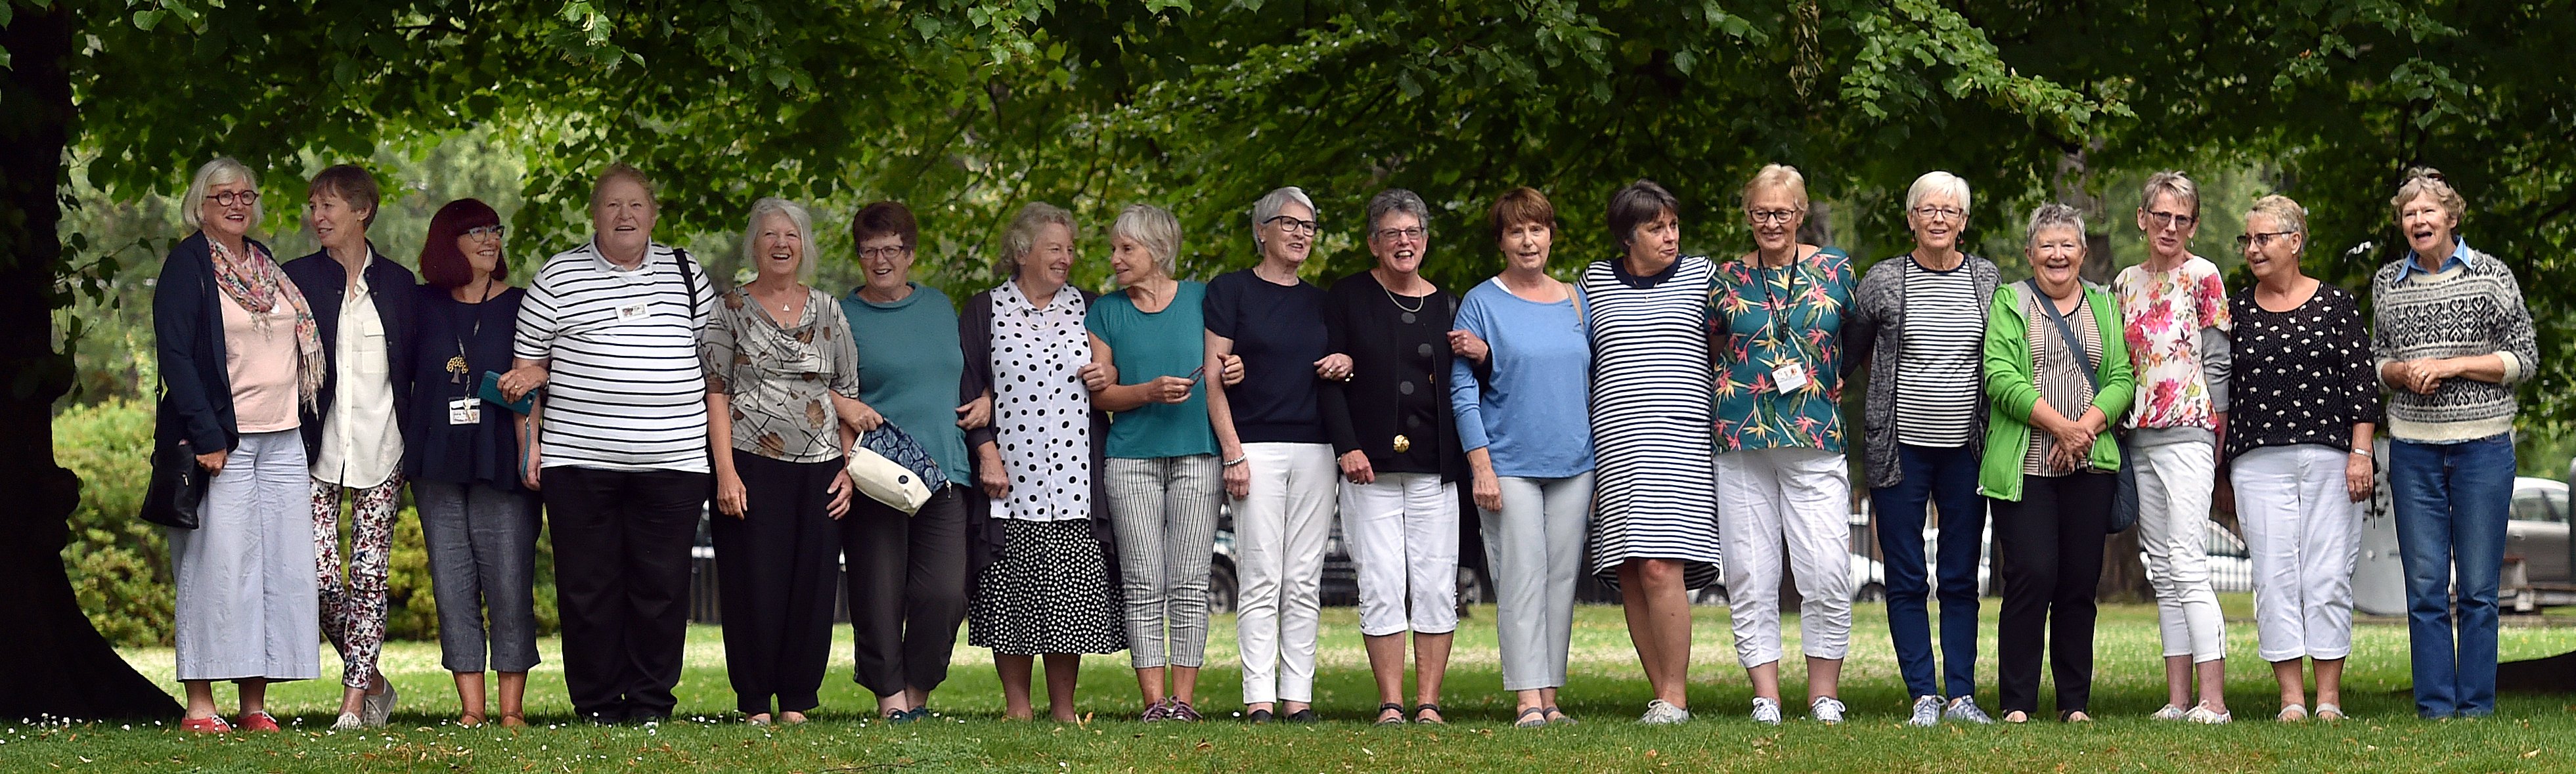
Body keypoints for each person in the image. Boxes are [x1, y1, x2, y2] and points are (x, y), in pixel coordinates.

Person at [499, 163, 715, 725]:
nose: (625, 216)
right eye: (613, 205)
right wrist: (532, 446)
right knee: (588, 588)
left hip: (676, 461)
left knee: (662, 589)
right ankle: (596, 702)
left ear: (653, 214)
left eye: (636, 205)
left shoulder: (687, 272)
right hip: (579, 461)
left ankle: (649, 702)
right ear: (594, 214)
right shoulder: (558, 276)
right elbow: (526, 373)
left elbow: (716, 366)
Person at [154, 158, 326, 733]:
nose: (235, 204)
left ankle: (254, 704)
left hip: (281, 439)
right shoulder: (188, 266)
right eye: (221, 195)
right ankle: (200, 705)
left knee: (277, 570)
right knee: (216, 570)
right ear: (200, 203)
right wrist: (206, 435)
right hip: (223, 444)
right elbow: (176, 357)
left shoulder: (264, 264)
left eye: (245, 194)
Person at [2372, 168, 2537, 719]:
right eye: (2409, 213)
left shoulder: (2492, 276)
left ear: (2452, 216)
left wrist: (2454, 364)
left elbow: (2524, 358)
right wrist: (2399, 372)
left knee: (2478, 590)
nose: (2418, 221)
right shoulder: (2386, 283)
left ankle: (2476, 707)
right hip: (2413, 449)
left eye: (2427, 211)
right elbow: (2377, 361)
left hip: (2483, 446)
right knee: (2422, 588)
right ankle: (2436, 707)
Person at [1843, 171, 2001, 726]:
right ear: (1910, 217)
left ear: (1963, 221)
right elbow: (1853, 353)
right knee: (1906, 576)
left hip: (1966, 448)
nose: (1939, 219)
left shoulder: (1986, 279)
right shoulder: (1883, 280)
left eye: (1950, 211)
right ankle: (1923, 696)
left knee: (1960, 575)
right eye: (1928, 209)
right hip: (1899, 449)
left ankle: (1962, 693)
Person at [963, 202, 1127, 722]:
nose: (1066, 257)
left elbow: (1112, 370)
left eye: (1070, 249)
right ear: (1021, 252)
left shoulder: (1091, 307)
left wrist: (1110, 374)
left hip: (1075, 480)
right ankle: (1018, 707)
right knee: (1011, 595)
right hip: (1008, 480)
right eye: (1054, 248)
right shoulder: (985, 309)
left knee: (1068, 603)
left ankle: (1063, 708)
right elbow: (968, 379)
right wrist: (985, 450)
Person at [1706, 164, 1858, 725]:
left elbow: (1857, 332)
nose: (1772, 223)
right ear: (1748, 216)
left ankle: (1824, 694)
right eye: (1761, 213)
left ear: (1801, 212)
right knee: (1749, 571)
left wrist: (1838, 372)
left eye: (1783, 212)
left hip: (1815, 432)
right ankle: (1765, 696)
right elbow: (1714, 342)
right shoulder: (1723, 278)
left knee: (1825, 568)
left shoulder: (1835, 267)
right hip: (1741, 434)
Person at [703, 198, 864, 725]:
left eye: (790, 236)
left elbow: (845, 391)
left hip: (820, 466)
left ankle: (796, 699)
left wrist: (849, 468)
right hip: (749, 464)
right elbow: (716, 394)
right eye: (770, 235)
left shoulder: (829, 309)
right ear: (755, 244)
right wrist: (725, 471)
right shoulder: (728, 309)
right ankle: (754, 701)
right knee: (753, 582)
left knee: (812, 583)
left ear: (804, 246)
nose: (780, 244)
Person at [1446, 186, 1594, 728]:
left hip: (1575, 464)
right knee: (1521, 578)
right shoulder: (1481, 302)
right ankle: (1526, 698)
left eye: (1537, 229)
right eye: (1516, 231)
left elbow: (1594, 381)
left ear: (1551, 234)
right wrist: (1480, 465)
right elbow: (1463, 391)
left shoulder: (1577, 300)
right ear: (1502, 241)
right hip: (1508, 463)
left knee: (1561, 580)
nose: (1528, 240)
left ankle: (1550, 696)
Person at [2223, 194, 2375, 723]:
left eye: (2264, 238)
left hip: (2332, 458)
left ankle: (2329, 698)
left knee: (2328, 574)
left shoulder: (2336, 304)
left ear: (2295, 241)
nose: (2253, 249)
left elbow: (2361, 386)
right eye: (2249, 240)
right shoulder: (2236, 310)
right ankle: (2292, 698)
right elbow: (2223, 392)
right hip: (2257, 460)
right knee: (2273, 576)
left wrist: (2361, 453)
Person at [1318, 188, 1467, 726]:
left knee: (1434, 583)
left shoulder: (1449, 304)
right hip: (1369, 469)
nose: (1403, 242)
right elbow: (1327, 381)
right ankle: (1391, 703)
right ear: (1373, 242)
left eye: (1412, 232)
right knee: (1380, 581)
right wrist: (1347, 447)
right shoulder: (1348, 297)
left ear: (1425, 239)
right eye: (1391, 233)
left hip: (1435, 469)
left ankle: (1428, 702)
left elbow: (1468, 386)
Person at [1982, 203, 2133, 724]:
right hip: (2025, 465)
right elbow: (2000, 377)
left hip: (2091, 464)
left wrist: (2084, 429)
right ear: (2029, 252)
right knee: (2031, 575)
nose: (2057, 254)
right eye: (2047, 245)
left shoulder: (2104, 304)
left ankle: (2074, 702)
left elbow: (2121, 379)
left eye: (2068, 244)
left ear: (2084, 253)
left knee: (2077, 583)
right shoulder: (2011, 301)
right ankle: (2017, 702)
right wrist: (2058, 427)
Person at [837, 202, 988, 723]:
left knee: (945, 591)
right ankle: (892, 702)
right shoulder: (840, 314)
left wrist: (987, 397)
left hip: (945, 471)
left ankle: (918, 691)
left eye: (891, 249)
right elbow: (818, 383)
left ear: (911, 253)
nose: (881, 260)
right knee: (877, 592)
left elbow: (966, 371)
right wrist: (844, 413)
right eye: (869, 250)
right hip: (877, 473)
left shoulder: (940, 307)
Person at [280, 163, 416, 729]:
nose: (318, 217)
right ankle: (378, 679)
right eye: (314, 207)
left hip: (384, 445)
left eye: (330, 206)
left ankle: (355, 702)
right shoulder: (294, 278)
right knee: (316, 573)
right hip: (316, 446)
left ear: (362, 211)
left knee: (369, 575)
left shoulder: (401, 284)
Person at [1580, 179, 1719, 725]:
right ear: (1626, 235)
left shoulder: (1701, 276)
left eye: (1673, 225)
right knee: (1632, 569)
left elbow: (1735, 342)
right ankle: (1661, 692)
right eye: (1655, 227)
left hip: (1679, 444)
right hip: (1615, 445)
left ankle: (1676, 696)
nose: (1669, 236)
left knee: (1663, 564)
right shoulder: (1593, 282)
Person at [1083, 204, 1222, 722]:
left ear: (1157, 251)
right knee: (1143, 582)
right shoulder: (1105, 312)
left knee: (1189, 580)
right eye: (1115, 248)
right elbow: (1102, 393)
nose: (1115, 258)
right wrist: (1147, 390)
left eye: (1127, 249)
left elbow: (1225, 363)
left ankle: (1184, 702)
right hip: (1131, 461)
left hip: (1197, 456)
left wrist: (1234, 366)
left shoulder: (1203, 300)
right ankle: (1153, 705)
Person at [404, 198, 540, 728]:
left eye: (494, 229)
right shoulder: (420, 304)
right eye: (475, 232)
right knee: (451, 583)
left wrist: (539, 376)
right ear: (448, 243)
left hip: (502, 459)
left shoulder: (524, 303)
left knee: (508, 582)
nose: (490, 239)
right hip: (435, 459)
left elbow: (551, 364)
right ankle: (472, 710)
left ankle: (512, 710)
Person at [1205, 186, 1339, 723]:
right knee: (1261, 575)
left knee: (1304, 578)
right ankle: (1258, 696)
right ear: (1262, 230)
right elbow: (1214, 375)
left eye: (1309, 226)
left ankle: (1297, 698)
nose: (1301, 233)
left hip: (1316, 449)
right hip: (1254, 447)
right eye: (1289, 223)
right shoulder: (1230, 290)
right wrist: (1232, 452)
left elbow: (1340, 366)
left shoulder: (1322, 302)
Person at [2114, 171, 2234, 723]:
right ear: (2143, 218)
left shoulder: (2203, 276)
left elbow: (2218, 363)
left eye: (2181, 218)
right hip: (2140, 434)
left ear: (2193, 224)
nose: (2170, 226)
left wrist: (2219, 438)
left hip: (2189, 429)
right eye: (2160, 215)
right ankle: (2179, 698)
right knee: (2162, 566)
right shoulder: (2124, 283)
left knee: (2188, 562)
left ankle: (2214, 700)